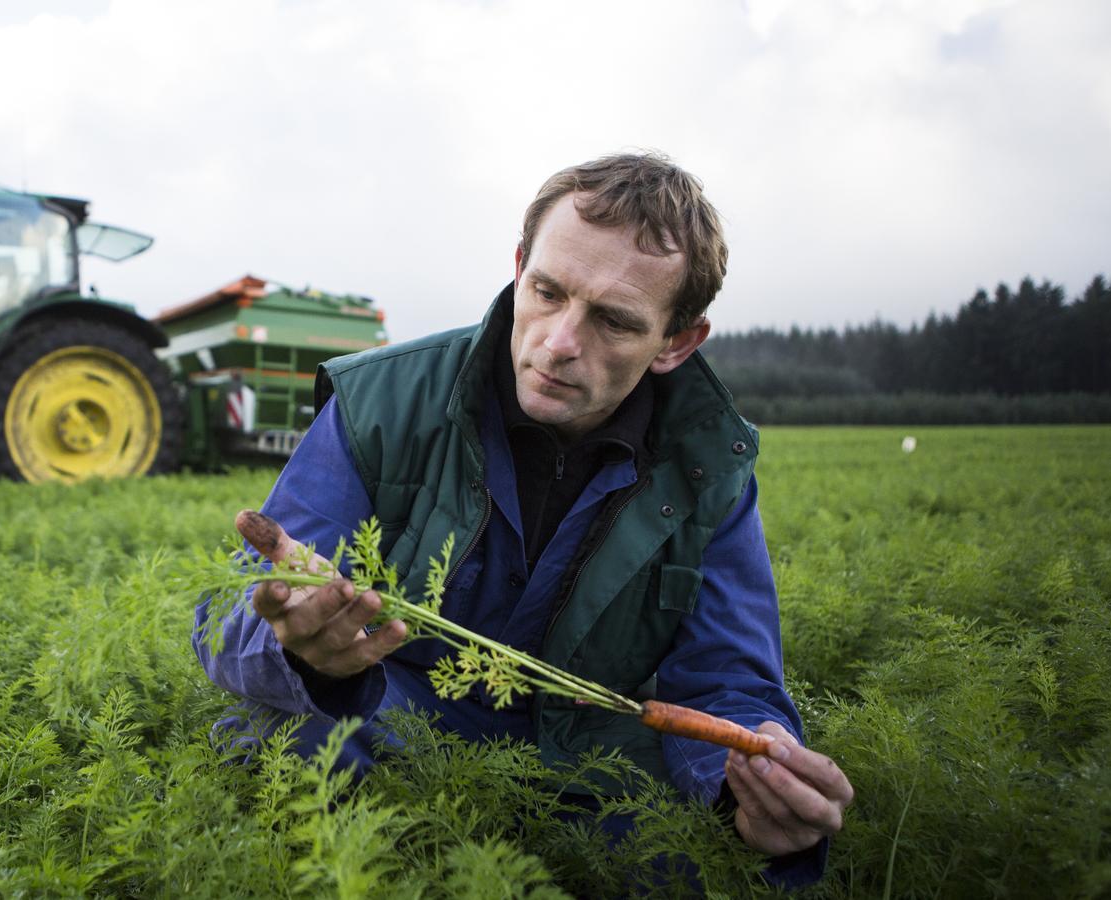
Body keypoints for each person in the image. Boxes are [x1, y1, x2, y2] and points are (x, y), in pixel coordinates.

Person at [192, 153, 853, 884]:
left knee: (716, 854)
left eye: (613, 321)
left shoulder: (708, 464)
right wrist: (299, 641)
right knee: (282, 742)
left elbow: (730, 680)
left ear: (676, 341)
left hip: (585, 766)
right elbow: (230, 608)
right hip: (395, 721)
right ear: (518, 267)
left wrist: (748, 778)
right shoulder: (385, 402)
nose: (560, 342)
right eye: (546, 292)